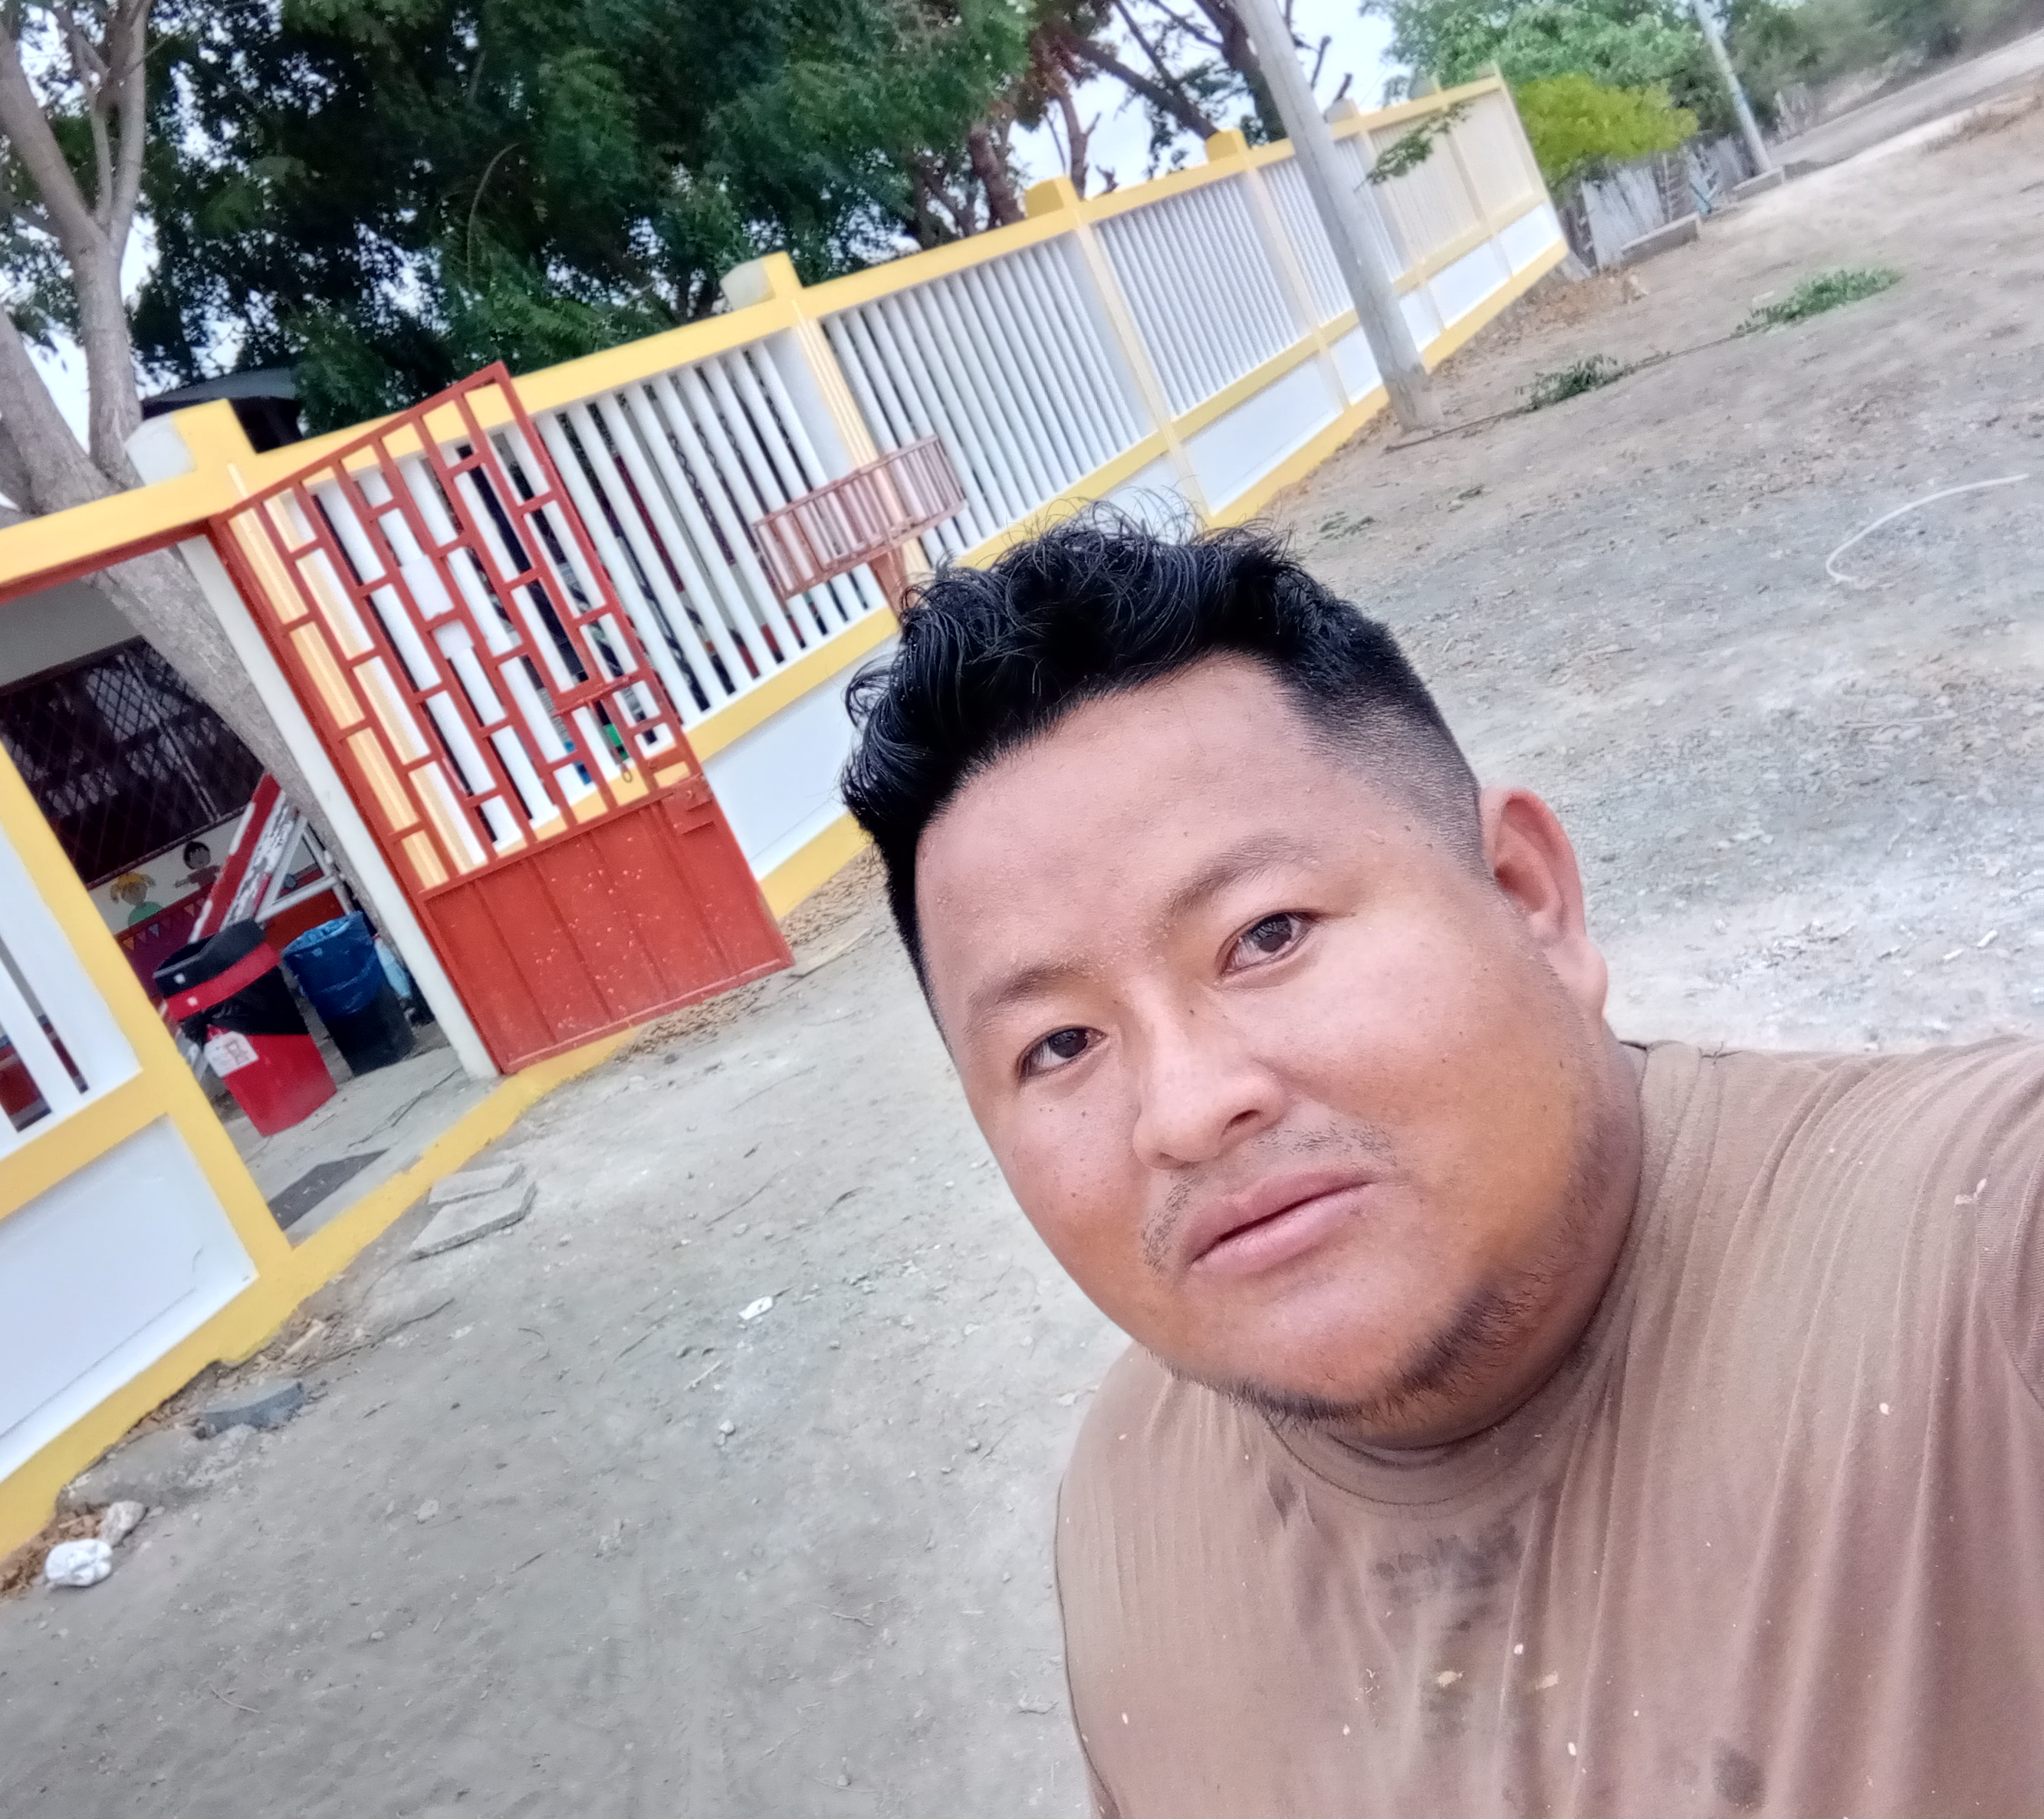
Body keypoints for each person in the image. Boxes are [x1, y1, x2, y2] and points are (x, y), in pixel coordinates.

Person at [840, 516, 2044, 1817]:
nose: (1184, 1110)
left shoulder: (1986, 1279)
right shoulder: (1133, 1505)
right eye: (1060, 1045)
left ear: (1527, 894)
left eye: (1268, 934)